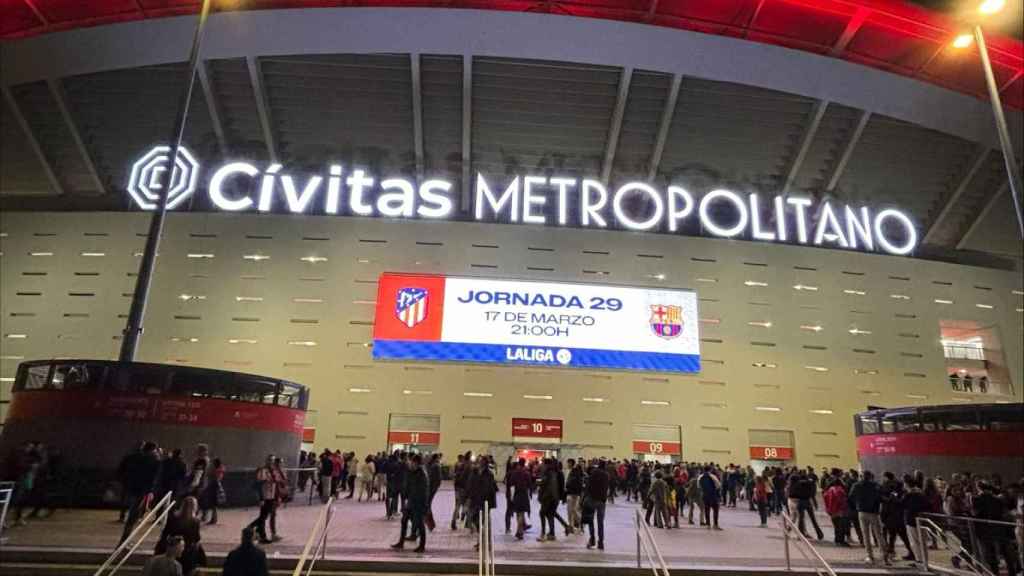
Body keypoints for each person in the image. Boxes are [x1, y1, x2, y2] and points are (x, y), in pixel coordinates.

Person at [973, 481, 1020, 575]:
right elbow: (1002, 513)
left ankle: (995, 573)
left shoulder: (976, 499)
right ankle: (1012, 572)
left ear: (979, 488)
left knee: (990, 553)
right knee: (1005, 551)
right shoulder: (998, 499)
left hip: (985, 530)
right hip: (999, 528)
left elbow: (975, 514)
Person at [120, 441, 162, 544]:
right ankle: (124, 540)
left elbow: (121, 470)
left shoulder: (131, 457)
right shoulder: (154, 460)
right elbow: (154, 477)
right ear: (153, 450)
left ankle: (125, 538)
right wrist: (151, 491)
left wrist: (125, 482)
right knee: (133, 516)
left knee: (129, 510)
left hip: (130, 487)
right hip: (142, 490)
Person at [155, 496, 207, 576]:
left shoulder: (173, 518)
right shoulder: (195, 521)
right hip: (187, 552)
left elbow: (165, 534)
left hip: (173, 548)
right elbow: (196, 538)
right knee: (197, 551)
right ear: (195, 507)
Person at [391, 453, 429, 552]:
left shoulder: (422, 474)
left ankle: (422, 546)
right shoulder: (412, 472)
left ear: (417, 463)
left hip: (418, 503)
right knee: (404, 521)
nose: (411, 463)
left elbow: (424, 491)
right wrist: (406, 495)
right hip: (411, 502)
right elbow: (409, 486)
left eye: (412, 462)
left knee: (420, 524)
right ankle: (401, 542)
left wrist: (423, 505)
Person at [851, 470, 886, 565]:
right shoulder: (876, 485)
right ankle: (884, 555)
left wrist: (858, 504)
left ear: (862, 476)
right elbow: (881, 497)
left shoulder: (856, 485)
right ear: (871, 476)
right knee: (879, 534)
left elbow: (851, 497)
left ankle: (870, 556)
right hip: (874, 512)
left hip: (862, 512)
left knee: (865, 535)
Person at [247, 455, 282, 544]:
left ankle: (258, 533)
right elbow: (259, 485)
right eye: (270, 460)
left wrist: (277, 496)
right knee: (263, 517)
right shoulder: (263, 470)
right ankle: (254, 530)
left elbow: (277, 483)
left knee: (264, 516)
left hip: (271, 496)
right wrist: (261, 498)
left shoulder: (273, 471)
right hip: (265, 496)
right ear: (266, 461)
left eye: (273, 460)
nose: (271, 462)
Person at [584, 459, 609, 550]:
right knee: (600, 522)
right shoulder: (606, 475)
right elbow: (606, 488)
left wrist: (586, 497)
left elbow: (588, 485)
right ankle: (601, 542)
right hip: (602, 501)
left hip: (592, 499)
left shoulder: (594, 472)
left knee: (591, 520)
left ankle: (592, 539)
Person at [508, 459, 532, 540]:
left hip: (517, 494)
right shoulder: (527, 473)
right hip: (524, 494)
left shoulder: (515, 473)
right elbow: (530, 484)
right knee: (521, 513)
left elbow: (511, 483)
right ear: (524, 463)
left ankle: (520, 531)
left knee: (518, 513)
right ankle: (519, 531)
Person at [824, 479, 849, 545]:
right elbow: (842, 500)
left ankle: (837, 540)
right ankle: (841, 541)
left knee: (836, 526)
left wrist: (828, 509)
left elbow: (826, 499)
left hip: (832, 510)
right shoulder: (840, 490)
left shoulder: (829, 490)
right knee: (841, 526)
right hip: (839, 510)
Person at [201, 458, 225, 525]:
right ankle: (213, 519)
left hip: (213, 487)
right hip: (215, 486)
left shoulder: (216, 470)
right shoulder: (220, 469)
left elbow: (210, 476)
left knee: (213, 504)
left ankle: (213, 519)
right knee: (213, 505)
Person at [699, 465, 722, 530]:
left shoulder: (700, 476)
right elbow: (718, 485)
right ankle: (715, 524)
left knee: (707, 510)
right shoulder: (712, 476)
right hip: (713, 495)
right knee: (715, 510)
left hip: (704, 495)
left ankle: (708, 524)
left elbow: (699, 486)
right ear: (710, 470)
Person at [451, 453, 469, 530]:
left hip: (458, 488)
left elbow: (455, 476)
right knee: (466, 505)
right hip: (465, 489)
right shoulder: (469, 467)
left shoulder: (459, 466)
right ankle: (464, 516)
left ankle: (453, 521)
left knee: (457, 506)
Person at [565, 459, 583, 532]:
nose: (567, 465)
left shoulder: (575, 471)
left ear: (571, 463)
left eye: (568, 463)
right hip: (570, 493)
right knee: (570, 511)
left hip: (574, 494)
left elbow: (576, 483)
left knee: (573, 510)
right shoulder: (571, 471)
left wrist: (568, 486)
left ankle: (580, 523)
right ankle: (571, 526)